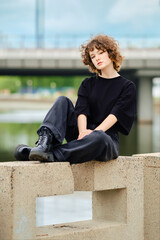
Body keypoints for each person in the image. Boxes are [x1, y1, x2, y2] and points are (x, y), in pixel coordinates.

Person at [14, 34, 136, 164]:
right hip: (80, 136)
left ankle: (51, 154)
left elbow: (115, 115)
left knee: (99, 138)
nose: (97, 58)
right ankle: (43, 145)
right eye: (93, 56)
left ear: (111, 54)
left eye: (101, 53)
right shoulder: (87, 84)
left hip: (105, 139)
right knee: (62, 101)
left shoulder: (127, 86)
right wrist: (83, 132)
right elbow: (82, 111)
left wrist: (93, 133)